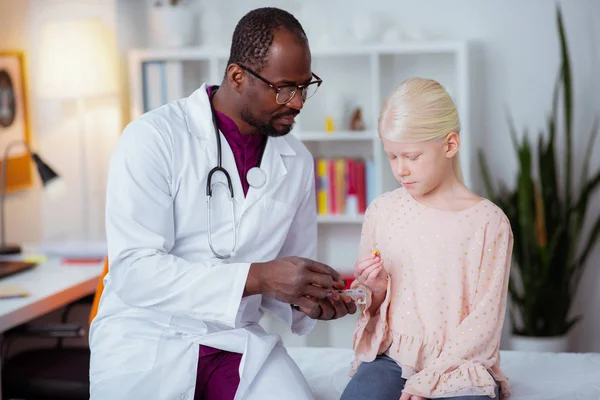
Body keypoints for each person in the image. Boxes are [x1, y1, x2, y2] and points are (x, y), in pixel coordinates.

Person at [89, 7, 356, 400]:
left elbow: (287, 276)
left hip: (238, 339)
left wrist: (311, 300)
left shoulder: (296, 162)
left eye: (305, 86)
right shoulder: (153, 139)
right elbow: (135, 272)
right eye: (284, 88)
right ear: (237, 76)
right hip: (148, 338)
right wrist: (259, 276)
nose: (298, 102)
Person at [340, 78, 514, 400]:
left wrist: (427, 383)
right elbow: (375, 308)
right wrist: (375, 292)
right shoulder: (382, 211)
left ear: (449, 145)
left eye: (412, 156)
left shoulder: (489, 223)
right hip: (393, 357)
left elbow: (484, 322)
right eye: (392, 157)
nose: (401, 170)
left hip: (459, 364)